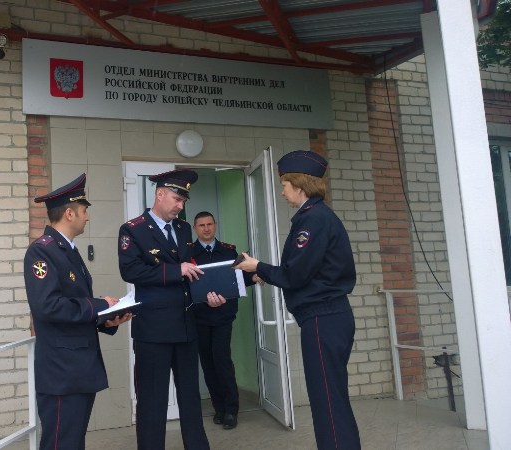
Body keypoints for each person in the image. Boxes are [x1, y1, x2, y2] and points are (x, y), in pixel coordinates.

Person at [230, 150, 361, 449]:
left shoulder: (312, 219)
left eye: (285, 185)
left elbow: (296, 275)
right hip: (329, 317)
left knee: (327, 401)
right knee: (332, 398)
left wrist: (257, 267)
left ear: (299, 185)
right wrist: (268, 274)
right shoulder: (317, 216)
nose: (282, 191)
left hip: (323, 319)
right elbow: (305, 270)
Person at [24, 173, 132, 450]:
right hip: (62, 372)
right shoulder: (42, 251)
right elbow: (47, 306)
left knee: (73, 442)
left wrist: (109, 319)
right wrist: (100, 305)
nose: (88, 217)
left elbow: (74, 306)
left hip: (79, 368)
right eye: (84, 211)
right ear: (69, 213)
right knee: (62, 443)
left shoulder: (67, 251)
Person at [118, 169, 215, 450]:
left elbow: (193, 272)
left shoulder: (184, 229)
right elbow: (130, 270)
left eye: (183, 201)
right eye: (176, 199)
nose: (180, 206)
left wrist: (210, 294)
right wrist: (176, 270)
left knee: (190, 400)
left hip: (186, 327)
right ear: (159, 195)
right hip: (153, 330)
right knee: (152, 402)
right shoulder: (133, 229)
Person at [191, 211, 260, 430]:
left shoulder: (229, 251)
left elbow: (240, 277)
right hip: (199, 317)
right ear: (196, 228)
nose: (206, 228)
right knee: (208, 364)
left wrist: (257, 276)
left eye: (209, 224)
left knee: (221, 360)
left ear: (215, 225)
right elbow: (186, 285)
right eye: (201, 225)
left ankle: (231, 409)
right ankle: (219, 408)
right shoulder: (188, 253)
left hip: (223, 316)